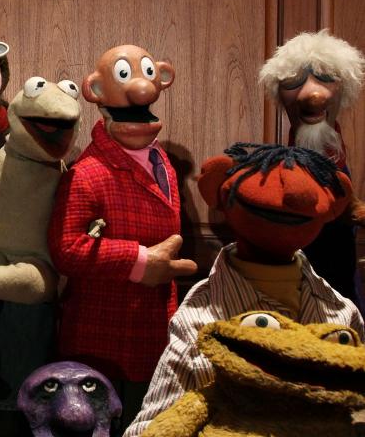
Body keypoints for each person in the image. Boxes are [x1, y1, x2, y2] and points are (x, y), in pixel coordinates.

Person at [124, 144, 365, 436]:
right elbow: (161, 416)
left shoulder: (341, 313)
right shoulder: (201, 313)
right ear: (222, 194)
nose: (289, 194)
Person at [47, 45, 197, 435]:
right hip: (102, 342)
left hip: (154, 337)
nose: (143, 89)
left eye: (148, 74)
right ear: (95, 91)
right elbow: (67, 248)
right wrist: (141, 262)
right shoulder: (87, 173)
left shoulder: (162, 159)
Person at [259, 29, 365, 309]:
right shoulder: (282, 161)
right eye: (294, 82)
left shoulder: (336, 151)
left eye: (326, 79)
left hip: (339, 286)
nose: (311, 93)